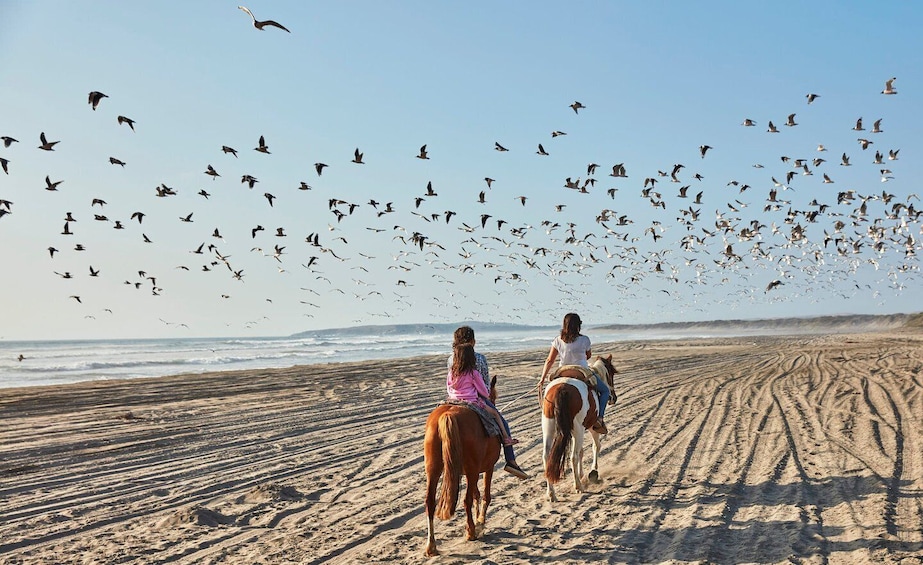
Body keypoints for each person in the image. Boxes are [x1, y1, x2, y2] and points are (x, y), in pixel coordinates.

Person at [446, 326, 529, 480]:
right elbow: (484, 386)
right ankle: (510, 460)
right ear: (473, 341)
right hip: (474, 399)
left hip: (452, 398)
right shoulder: (479, 359)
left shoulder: (451, 359)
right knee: (501, 420)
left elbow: (449, 385)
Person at [539, 313, 611, 434]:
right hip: (581, 371)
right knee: (605, 391)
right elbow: (588, 356)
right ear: (578, 326)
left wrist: (542, 379)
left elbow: (549, 360)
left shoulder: (558, 340)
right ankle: (599, 419)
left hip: (562, 371)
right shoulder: (585, 340)